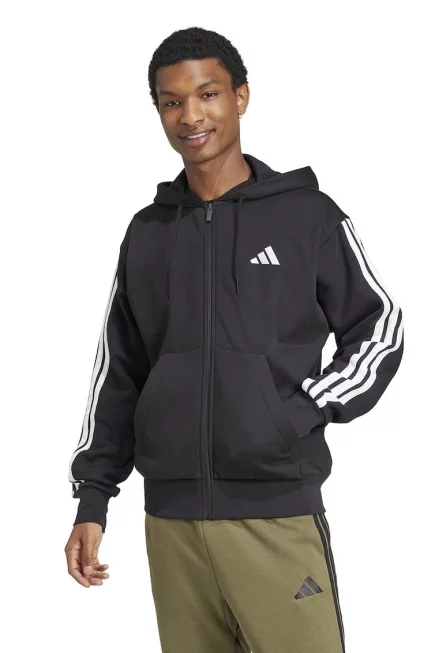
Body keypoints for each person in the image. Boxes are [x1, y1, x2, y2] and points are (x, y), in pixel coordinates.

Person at [65, 26, 404, 653]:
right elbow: (120, 371)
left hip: (275, 511)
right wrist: (93, 499)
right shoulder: (147, 233)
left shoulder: (307, 216)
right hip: (171, 522)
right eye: (171, 102)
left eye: (208, 94)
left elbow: (379, 325)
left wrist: (299, 412)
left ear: (241, 97)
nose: (190, 116)